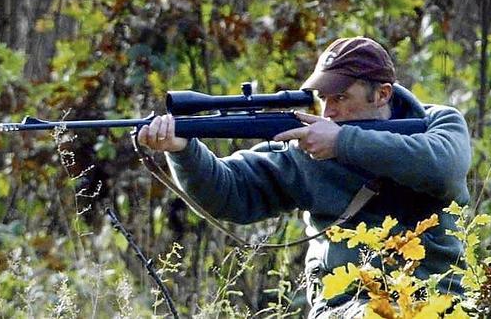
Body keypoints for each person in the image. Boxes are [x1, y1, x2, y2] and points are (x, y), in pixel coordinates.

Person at [136, 37, 471, 318]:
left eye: (341, 98)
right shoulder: (309, 149)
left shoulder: (437, 122)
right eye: (323, 98)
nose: (328, 113)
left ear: (382, 94)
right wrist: (183, 151)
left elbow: (444, 170)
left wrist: (342, 143)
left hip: (436, 298)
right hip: (345, 306)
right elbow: (232, 193)